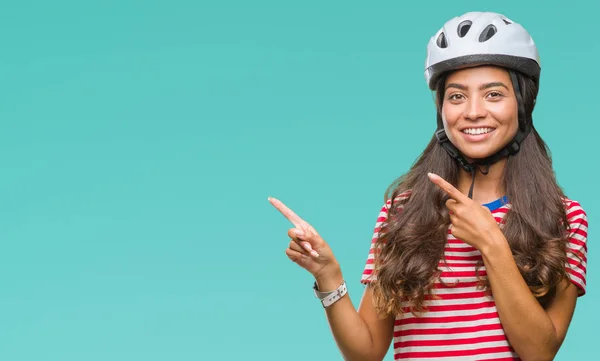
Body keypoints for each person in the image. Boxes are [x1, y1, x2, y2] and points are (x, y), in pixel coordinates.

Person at [268, 11, 588, 361]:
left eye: (493, 94)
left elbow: (540, 353)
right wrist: (329, 276)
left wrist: (491, 243)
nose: (474, 112)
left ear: (523, 104)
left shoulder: (563, 218)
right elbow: (366, 351)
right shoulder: (403, 212)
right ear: (441, 110)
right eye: (457, 96)